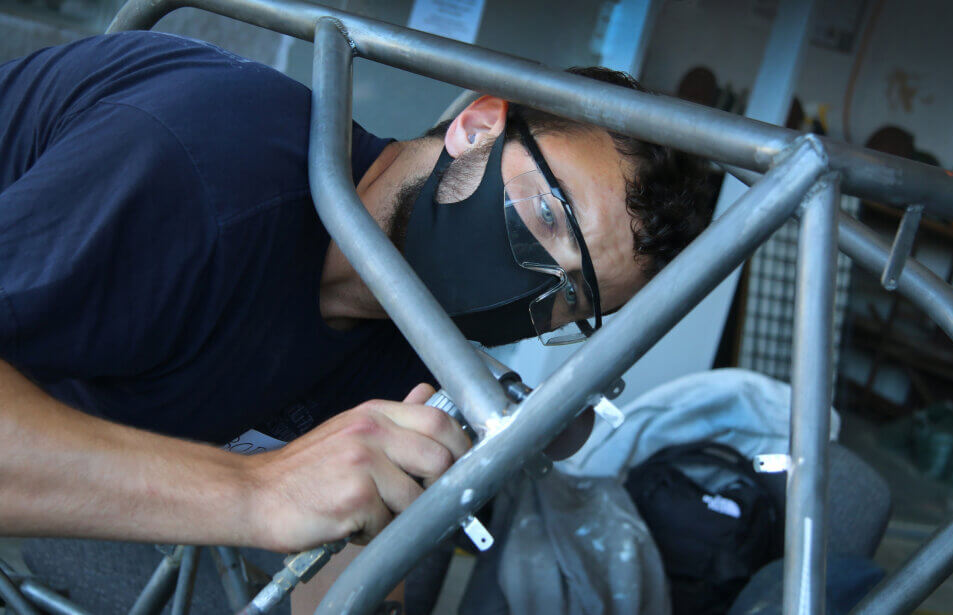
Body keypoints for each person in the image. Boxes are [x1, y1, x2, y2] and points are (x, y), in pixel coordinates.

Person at [0, 31, 713, 555]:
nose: (536, 284)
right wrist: (255, 493)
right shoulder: (204, 177)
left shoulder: (402, 339)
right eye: (546, 216)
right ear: (475, 127)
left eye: (572, 300)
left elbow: (351, 554)